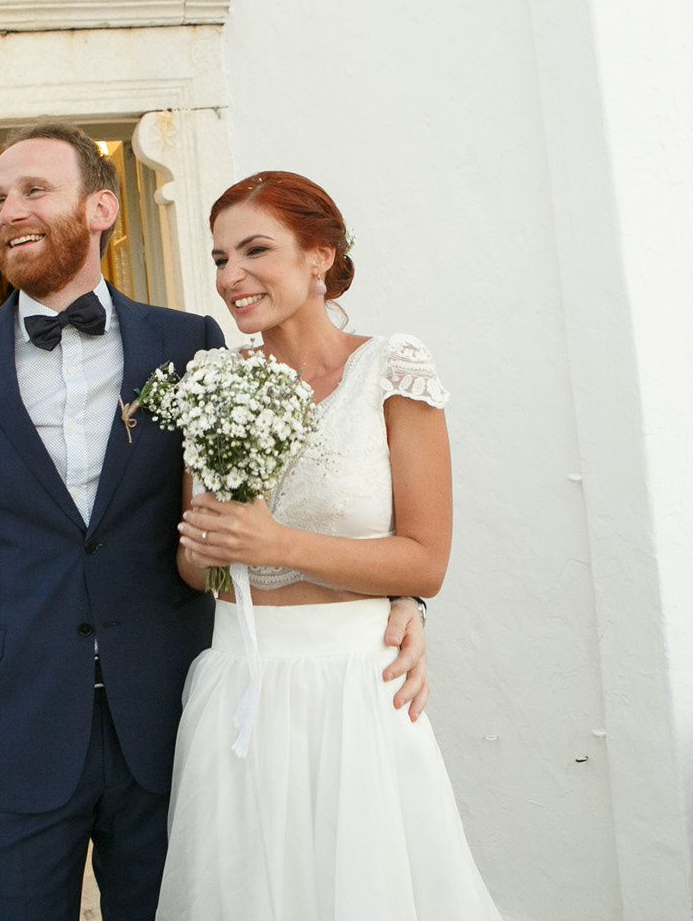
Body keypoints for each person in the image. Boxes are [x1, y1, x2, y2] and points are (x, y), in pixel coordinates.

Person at [0, 126, 431, 921]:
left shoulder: (192, 346)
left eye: (33, 190)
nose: (8, 210)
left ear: (101, 207)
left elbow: (296, 500)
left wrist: (403, 600)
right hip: (11, 738)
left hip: (174, 732)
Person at [157, 171, 500, 921]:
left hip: (358, 692)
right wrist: (208, 549)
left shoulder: (390, 368)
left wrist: (277, 542)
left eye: (255, 250)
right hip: (239, 687)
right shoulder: (214, 381)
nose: (232, 276)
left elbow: (424, 561)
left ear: (320, 256)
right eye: (219, 258)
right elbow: (199, 567)